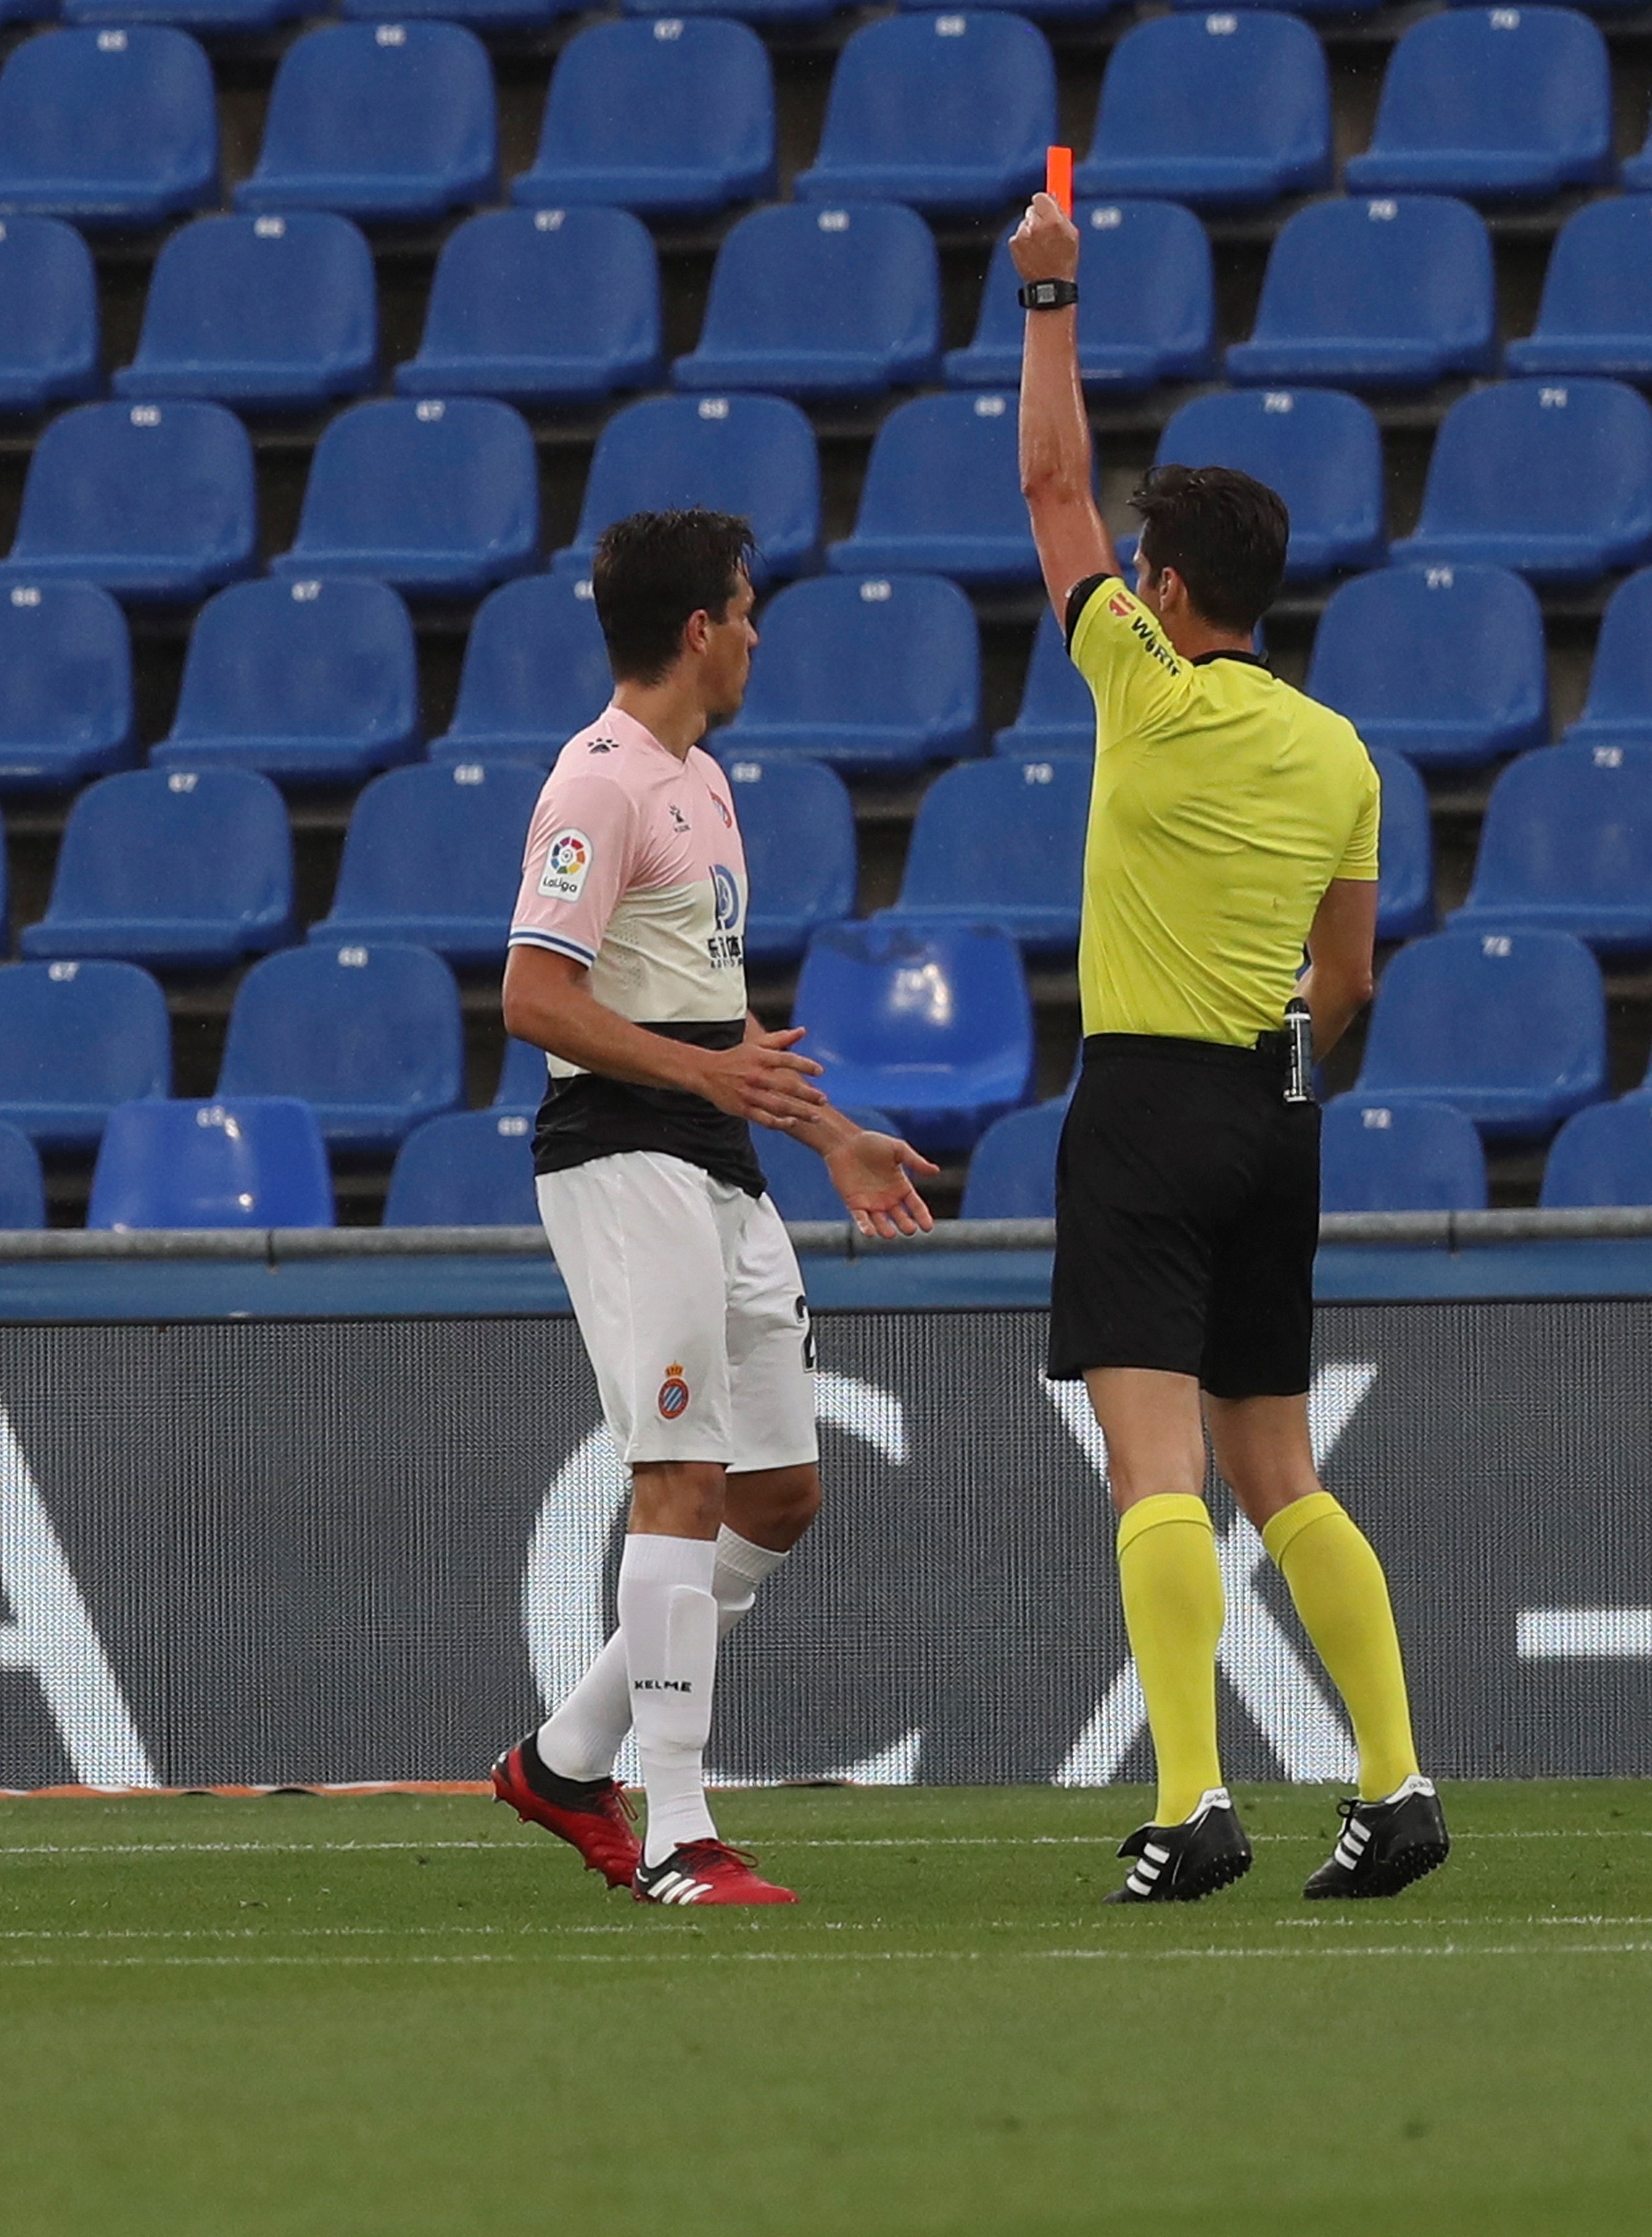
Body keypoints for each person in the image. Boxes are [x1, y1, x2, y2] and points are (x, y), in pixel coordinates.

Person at [1011, 189, 1447, 1903]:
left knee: (1154, 1465)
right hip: (1280, 1108)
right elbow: (1348, 983)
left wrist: (1050, 295)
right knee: (1282, 1469)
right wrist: (1283, 1067)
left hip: (1144, 1101)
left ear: (1167, 586)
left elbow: (1050, 487)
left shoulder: (1142, 682)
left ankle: (1192, 1802)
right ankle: (1396, 1783)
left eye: (1140, 563)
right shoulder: (1345, 756)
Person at [487, 507, 939, 1908]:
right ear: (699, 630)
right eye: (744, 612)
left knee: (780, 1493)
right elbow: (533, 999)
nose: (754, 636)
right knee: (678, 1478)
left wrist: (832, 1137)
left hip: (720, 1161)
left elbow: (720, 1015)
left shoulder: (705, 782)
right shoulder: (597, 786)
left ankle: (566, 1761)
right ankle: (681, 1829)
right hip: (626, 1153)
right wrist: (710, 1077)